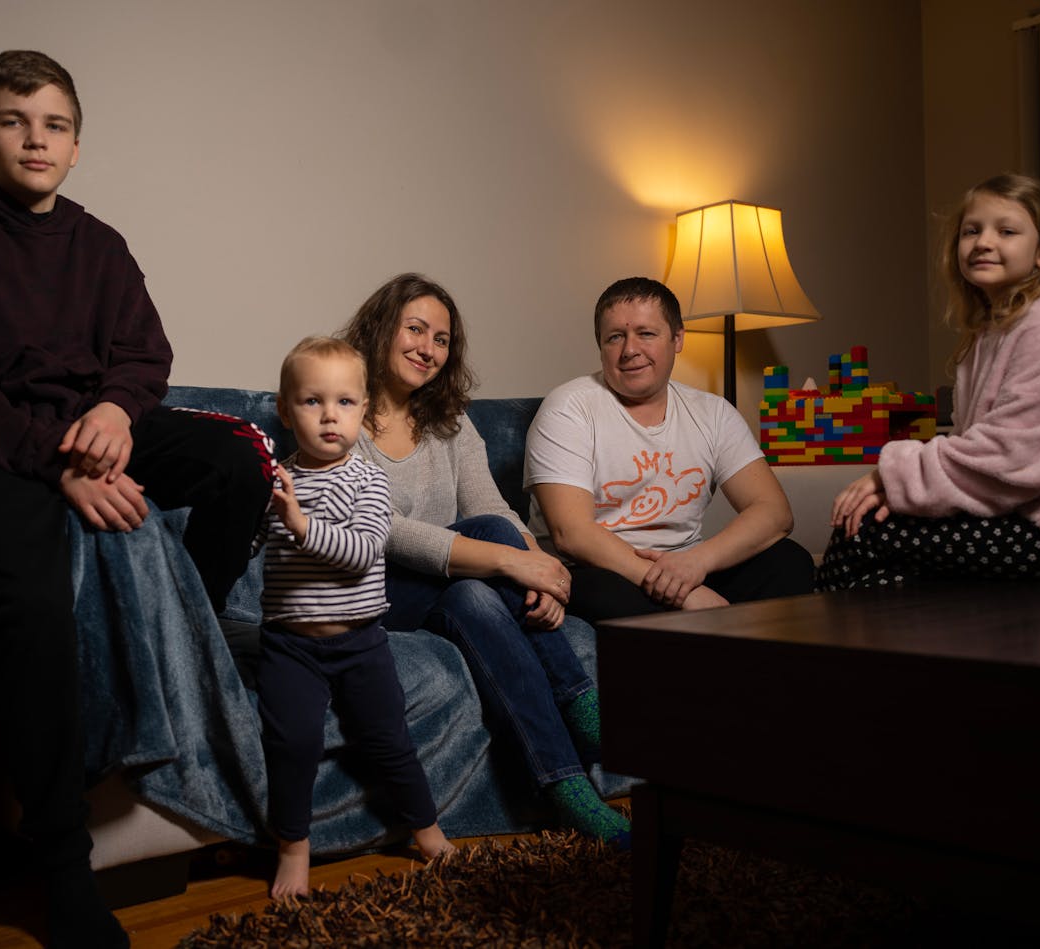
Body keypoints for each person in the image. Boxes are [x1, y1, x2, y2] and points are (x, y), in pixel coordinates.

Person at [0, 51, 272, 947]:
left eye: (53, 124)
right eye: (14, 120)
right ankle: (61, 864)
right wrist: (56, 465)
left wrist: (112, 410)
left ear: (75, 143)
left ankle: (194, 633)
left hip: (81, 423)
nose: (35, 138)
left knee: (233, 463)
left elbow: (145, 352)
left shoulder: (98, 243)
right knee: (30, 603)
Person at [340, 273, 629, 847]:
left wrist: (541, 575)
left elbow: (490, 504)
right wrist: (515, 561)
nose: (428, 348)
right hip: (375, 588)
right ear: (380, 329)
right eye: (415, 329)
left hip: (451, 586)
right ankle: (585, 709)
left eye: (442, 339)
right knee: (495, 543)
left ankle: (566, 786)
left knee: (475, 590)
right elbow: (380, 529)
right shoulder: (342, 406)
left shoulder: (449, 419)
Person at [814, 173, 1040, 589]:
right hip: (1015, 511)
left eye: (1006, 231)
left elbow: (1009, 456)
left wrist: (890, 477)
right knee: (884, 576)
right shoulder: (989, 334)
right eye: (972, 230)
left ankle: (802, 654)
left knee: (863, 533)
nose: (984, 242)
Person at [258, 336, 455, 899]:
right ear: (284, 408)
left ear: (364, 411)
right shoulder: (276, 481)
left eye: (345, 403)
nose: (329, 417)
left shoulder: (368, 480)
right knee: (292, 743)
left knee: (389, 740)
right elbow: (249, 546)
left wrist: (297, 523)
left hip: (362, 642)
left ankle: (427, 830)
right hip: (290, 643)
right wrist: (252, 511)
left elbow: (363, 550)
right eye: (311, 401)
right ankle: (293, 847)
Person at [524, 277, 814, 622]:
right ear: (600, 345)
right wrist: (680, 591)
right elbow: (572, 535)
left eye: (646, 333)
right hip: (599, 568)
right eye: (615, 337)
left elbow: (774, 513)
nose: (630, 349)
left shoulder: (713, 413)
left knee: (789, 561)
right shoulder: (569, 408)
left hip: (684, 561)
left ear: (678, 339)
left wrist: (696, 564)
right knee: (606, 594)